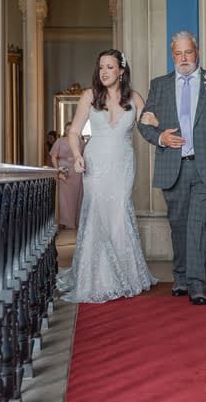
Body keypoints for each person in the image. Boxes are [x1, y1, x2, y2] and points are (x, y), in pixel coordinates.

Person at [137, 31, 206, 305]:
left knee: (198, 225)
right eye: (178, 54)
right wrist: (160, 136)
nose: (183, 58)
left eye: (188, 52)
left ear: (197, 53)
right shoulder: (159, 86)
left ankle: (196, 283)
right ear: (173, 56)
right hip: (173, 167)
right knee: (179, 225)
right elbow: (143, 123)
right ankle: (180, 276)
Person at [56, 49, 158, 303]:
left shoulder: (135, 98)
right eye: (101, 66)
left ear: (121, 71)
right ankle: (96, 277)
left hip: (123, 163)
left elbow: (149, 126)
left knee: (120, 212)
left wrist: (155, 121)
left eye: (110, 67)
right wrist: (77, 154)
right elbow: (74, 132)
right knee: (98, 214)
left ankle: (126, 274)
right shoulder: (89, 96)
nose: (104, 71)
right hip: (95, 164)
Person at [50, 122, 83, 229]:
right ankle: (64, 222)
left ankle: (73, 223)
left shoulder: (80, 142)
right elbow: (53, 156)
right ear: (65, 130)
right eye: (68, 129)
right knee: (63, 199)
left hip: (76, 174)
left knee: (75, 197)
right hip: (63, 173)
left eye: (71, 129)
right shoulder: (59, 141)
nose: (69, 131)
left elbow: (84, 156)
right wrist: (57, 170)